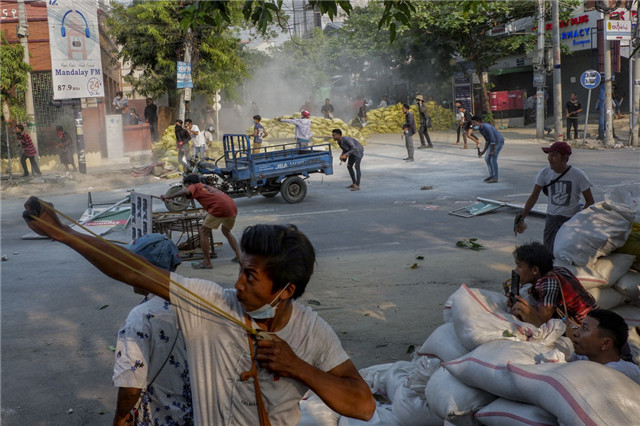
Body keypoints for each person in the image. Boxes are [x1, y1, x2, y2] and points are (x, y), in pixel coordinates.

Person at [22, 197, 376, 425]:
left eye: (250, 277)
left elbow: (364, 406)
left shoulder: (312, 332)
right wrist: (65, 233)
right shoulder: (212, 304)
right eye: (240, 270)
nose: (237, 284)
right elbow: (136, 270)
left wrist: (296, 365)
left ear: (286, 291)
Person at [112, 233, 193, 426]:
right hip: (198, 413)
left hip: (159, 418)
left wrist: (120, 418)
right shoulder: (197, 301)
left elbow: (131, 385)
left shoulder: (140, 317)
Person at [515, 141, 594, 254]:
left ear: (565, 158)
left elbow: (590, 201)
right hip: (551, 220)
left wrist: (578, 221)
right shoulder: (544, 173)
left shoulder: (578, 175)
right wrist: (522, 218)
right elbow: (533, 197)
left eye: (554, 155)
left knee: (566, 252)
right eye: (549, 155)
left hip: (570, 220)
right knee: (548, 252)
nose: (549, 158)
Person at [509, 242, 598, 329]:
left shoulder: (549, 282)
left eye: (519, 266)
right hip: (593, 321)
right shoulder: (557, 270)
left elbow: (541, 320)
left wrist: (524, 309)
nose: (516, 270)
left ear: (535, 270)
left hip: (586, 328)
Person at [162, 174, 242, 269]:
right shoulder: (205, 186)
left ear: (190, 183)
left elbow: (187, 191)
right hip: (231, 206)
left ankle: (207, 262)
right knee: (226, 232)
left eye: (186, 185)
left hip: (219, 208)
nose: (187, 187)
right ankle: (239, 257)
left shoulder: (194, 186)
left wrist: (169, 196)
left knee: (203, 232)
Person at [570, 309, 640, 385]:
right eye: (580, 328)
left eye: (585, 329)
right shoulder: (584, 359)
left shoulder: (621, 374)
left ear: (606, 343)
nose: (575, 333)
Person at [472, 115, 504, 183]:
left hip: (498, 142)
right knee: (487, 158)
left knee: (493, 159)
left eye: (474, 123)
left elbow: (493, 140)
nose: (473, 125)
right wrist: (483, 152)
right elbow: (487, 141)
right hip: (492, 143)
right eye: (472, 123)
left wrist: (492, 151)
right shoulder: (480, 129)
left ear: (479, 122)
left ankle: (495, 177)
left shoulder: (486, 127)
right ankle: (492, 175)